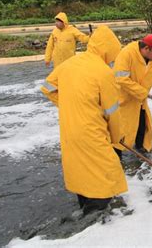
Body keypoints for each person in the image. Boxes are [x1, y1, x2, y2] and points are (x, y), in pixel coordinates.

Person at [41, 25, 127, 215]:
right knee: (107, 172)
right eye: (113, 54)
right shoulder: (104, 73)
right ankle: (99, 221)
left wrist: (68, 105)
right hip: (92, 131)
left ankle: (85, 214)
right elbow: (112, 112)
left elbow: (47, 87)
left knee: (81, 170)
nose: (112, 60)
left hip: (69, 130)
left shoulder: (69, 64)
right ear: (107, 49)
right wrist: (117, 140)